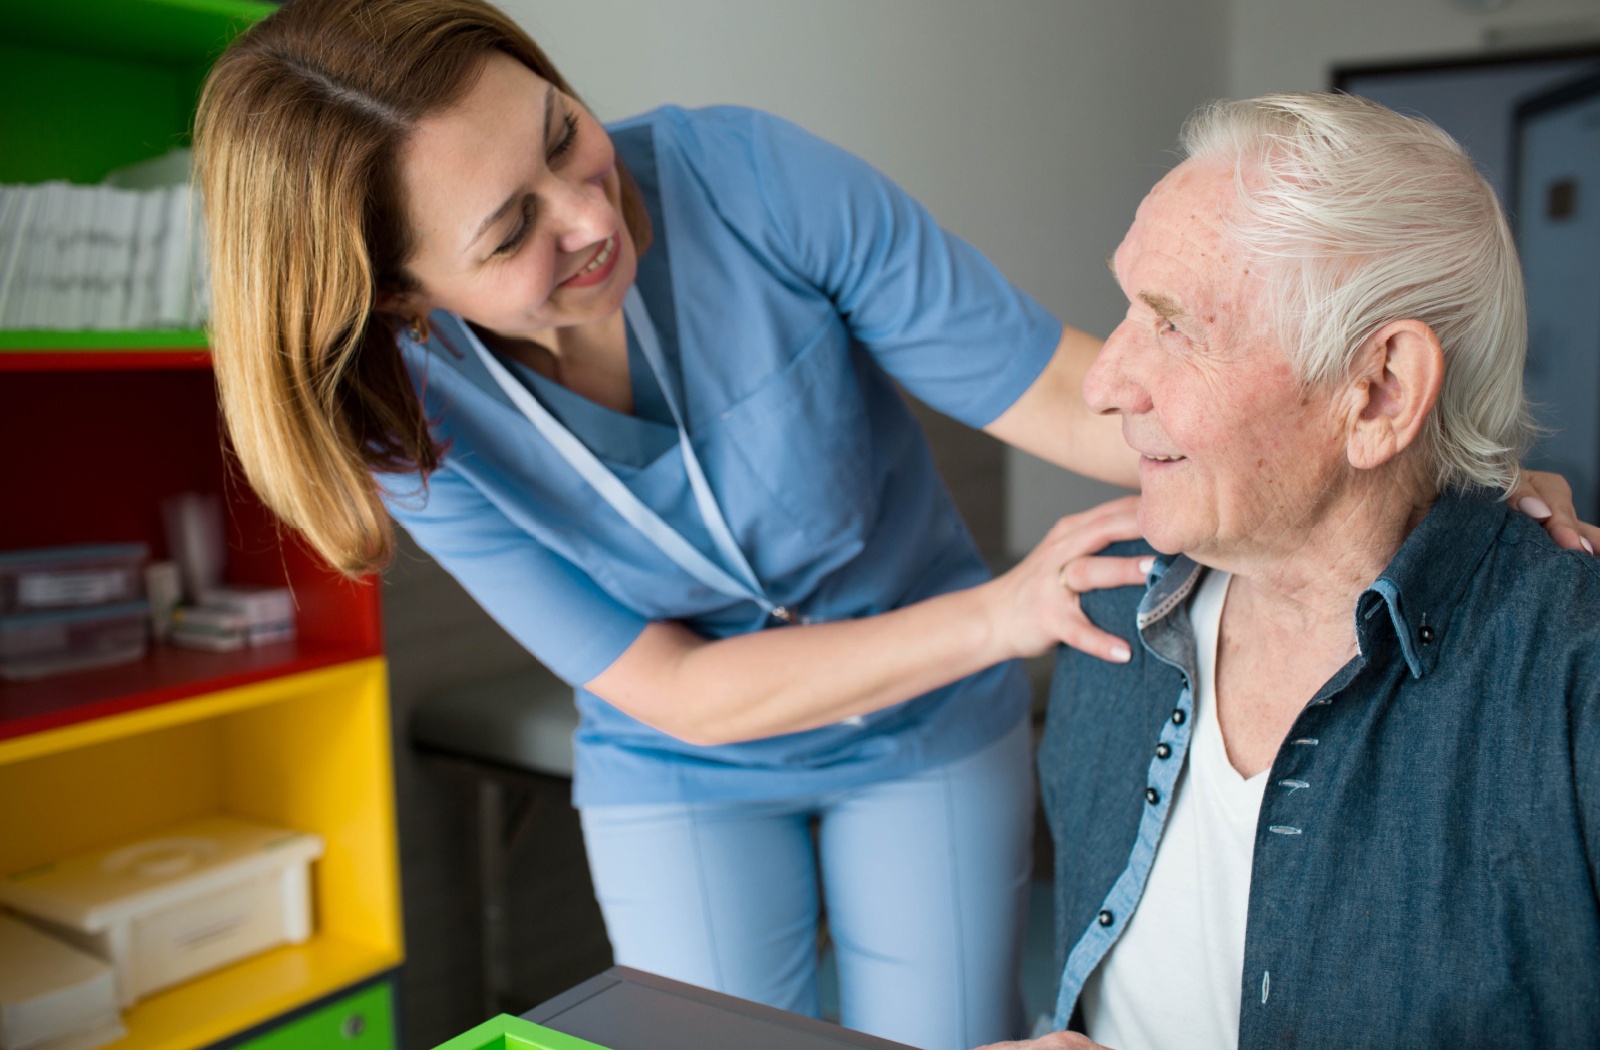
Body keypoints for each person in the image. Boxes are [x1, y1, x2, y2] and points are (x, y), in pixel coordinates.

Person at [193, 4, 1589, 1045]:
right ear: (402, 298)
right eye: (511, 232)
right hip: (690, 750)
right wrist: (1004, 607)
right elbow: (669, 682)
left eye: (565, 133)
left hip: (932, 728)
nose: (589, 211)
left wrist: (1422, 472)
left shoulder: (745, 179)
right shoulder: (403, 419)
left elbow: (1060, 386)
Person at [987, 93, 1600, 1050]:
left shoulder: (1573, 685)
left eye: (1176, 325)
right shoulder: (1108, 613)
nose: (1103, 385)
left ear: (1379, 393)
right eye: (1126, 309)